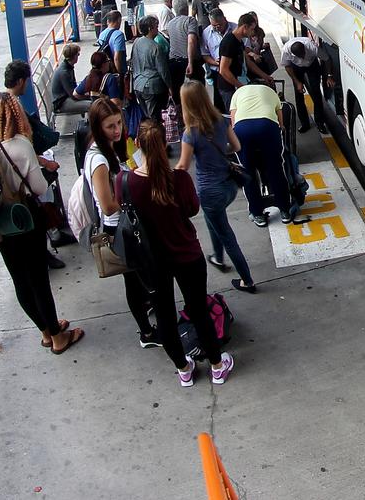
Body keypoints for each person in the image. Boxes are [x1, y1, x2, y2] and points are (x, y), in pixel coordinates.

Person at [125, 120, 235, 385]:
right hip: (187, 255)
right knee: (198, 310)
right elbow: (192, 209)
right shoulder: (180, 178)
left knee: (164, 314)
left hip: (153, 261)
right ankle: (217, 366)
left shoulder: (126, 181)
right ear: (165, 144)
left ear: (137, 145)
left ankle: (184, 370)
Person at [0, 92, 83, 354]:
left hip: (0, 223)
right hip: (26, 220)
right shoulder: (21, 145)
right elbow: (37, 187)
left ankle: (46, 331)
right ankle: (59, 338)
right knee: (38, 280)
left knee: (21, 281)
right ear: (16, 114)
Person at [82, 98, 158, 351]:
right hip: (120, 228)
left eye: (118, 123)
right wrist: (135, 197)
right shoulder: (99, 161)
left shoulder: (118, 146)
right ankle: (147, 333)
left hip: (130, 221)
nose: (116, 130)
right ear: (97, 127)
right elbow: (107, 205)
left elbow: (138, 164)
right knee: (134, 281)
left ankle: (147, 313)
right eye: (110, 126)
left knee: (141, 276)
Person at [177, 80, 255, 293]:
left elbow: (183, 166)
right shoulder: (220, 120)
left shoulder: (190, 133)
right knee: (215, 220)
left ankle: (247, 280)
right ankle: (217, 257)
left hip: (209, 191)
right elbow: (236, 146)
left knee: (227, 235)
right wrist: (219, 151)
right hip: (229, 186)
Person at [2, 61, 70, 264]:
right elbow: (23, 147)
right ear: (22, 81)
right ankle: (50, 238)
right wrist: (44, 163)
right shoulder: (14, 108)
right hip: (22, 169)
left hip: (15, 167)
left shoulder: (1, 102)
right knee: (43, 195)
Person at [230, 82, 293, 227]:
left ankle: (258, 214)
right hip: (267, 126)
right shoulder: (272, 93)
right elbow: (280, 123)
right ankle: (285, 210)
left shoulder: (237, 93)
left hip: (242, 130)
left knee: (247, 173)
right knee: (276, 169)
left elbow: (233, 122)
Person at [217, 13, 273, 112]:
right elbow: (223, 70)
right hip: (229, 88)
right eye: (251, 29)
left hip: (239, 83)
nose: (252, 33)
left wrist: (264, 76)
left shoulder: (239, 41)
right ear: (245, 27)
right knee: (235, 116)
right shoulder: (229, 42)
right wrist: (239, 86)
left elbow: (247, 62)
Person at [281, 35, 333, 134]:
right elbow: (287, 66)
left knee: (316, 92)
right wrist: (297, 82)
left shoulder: (312, 46)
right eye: (300, 56)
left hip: (312, 66)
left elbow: (327, 59)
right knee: (299, 95)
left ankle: (320, 122)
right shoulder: (286, 50)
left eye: (304, 54)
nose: (303, 58)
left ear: (305, 48)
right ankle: (305, 124)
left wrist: (329, 75)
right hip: (296, 68)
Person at [131, 14, 171, 122]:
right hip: (152, 86)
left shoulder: (137, 42)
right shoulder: (156, 47)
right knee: (155, 119)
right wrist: (170, 86)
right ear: (150, 28)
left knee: (147, 117)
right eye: (156, 26)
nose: (157, 29)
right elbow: (163, 71)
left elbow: (132, 61)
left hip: (138, 84)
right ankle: (154, 137)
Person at [165, 0, 199, 107]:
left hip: (173, 62)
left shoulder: (170, 24)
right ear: (186, 7)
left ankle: (181, 117)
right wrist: (190, 62)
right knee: (196, 91)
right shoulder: (190, 20)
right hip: (188, 61)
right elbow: (191, 41)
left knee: (178, 93)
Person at [201, 8, 234, 110]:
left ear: (225, 19)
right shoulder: (207, 33)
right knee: (219, 101)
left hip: (233, 70)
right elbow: (205, 54)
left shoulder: (235, 29)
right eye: (214, 26)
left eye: (219, 25)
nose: (217, 28)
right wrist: (214, 62)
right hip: (216, 71)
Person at [50, 42, 92, 115]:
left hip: (65, 97)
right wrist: (88, 96)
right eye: (78, 54)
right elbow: (74, 95)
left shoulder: (68, 66)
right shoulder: (64, 72)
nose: (78, 56)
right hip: (61, 103)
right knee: (92, 105)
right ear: (74, 56)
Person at [97, 10, 129, 86]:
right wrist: (120, 75)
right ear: (118, 20)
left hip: (106, 69)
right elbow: (117, 58)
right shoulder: (119, 35)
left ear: (108, 21)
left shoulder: (102, 34)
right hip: (116, 70)